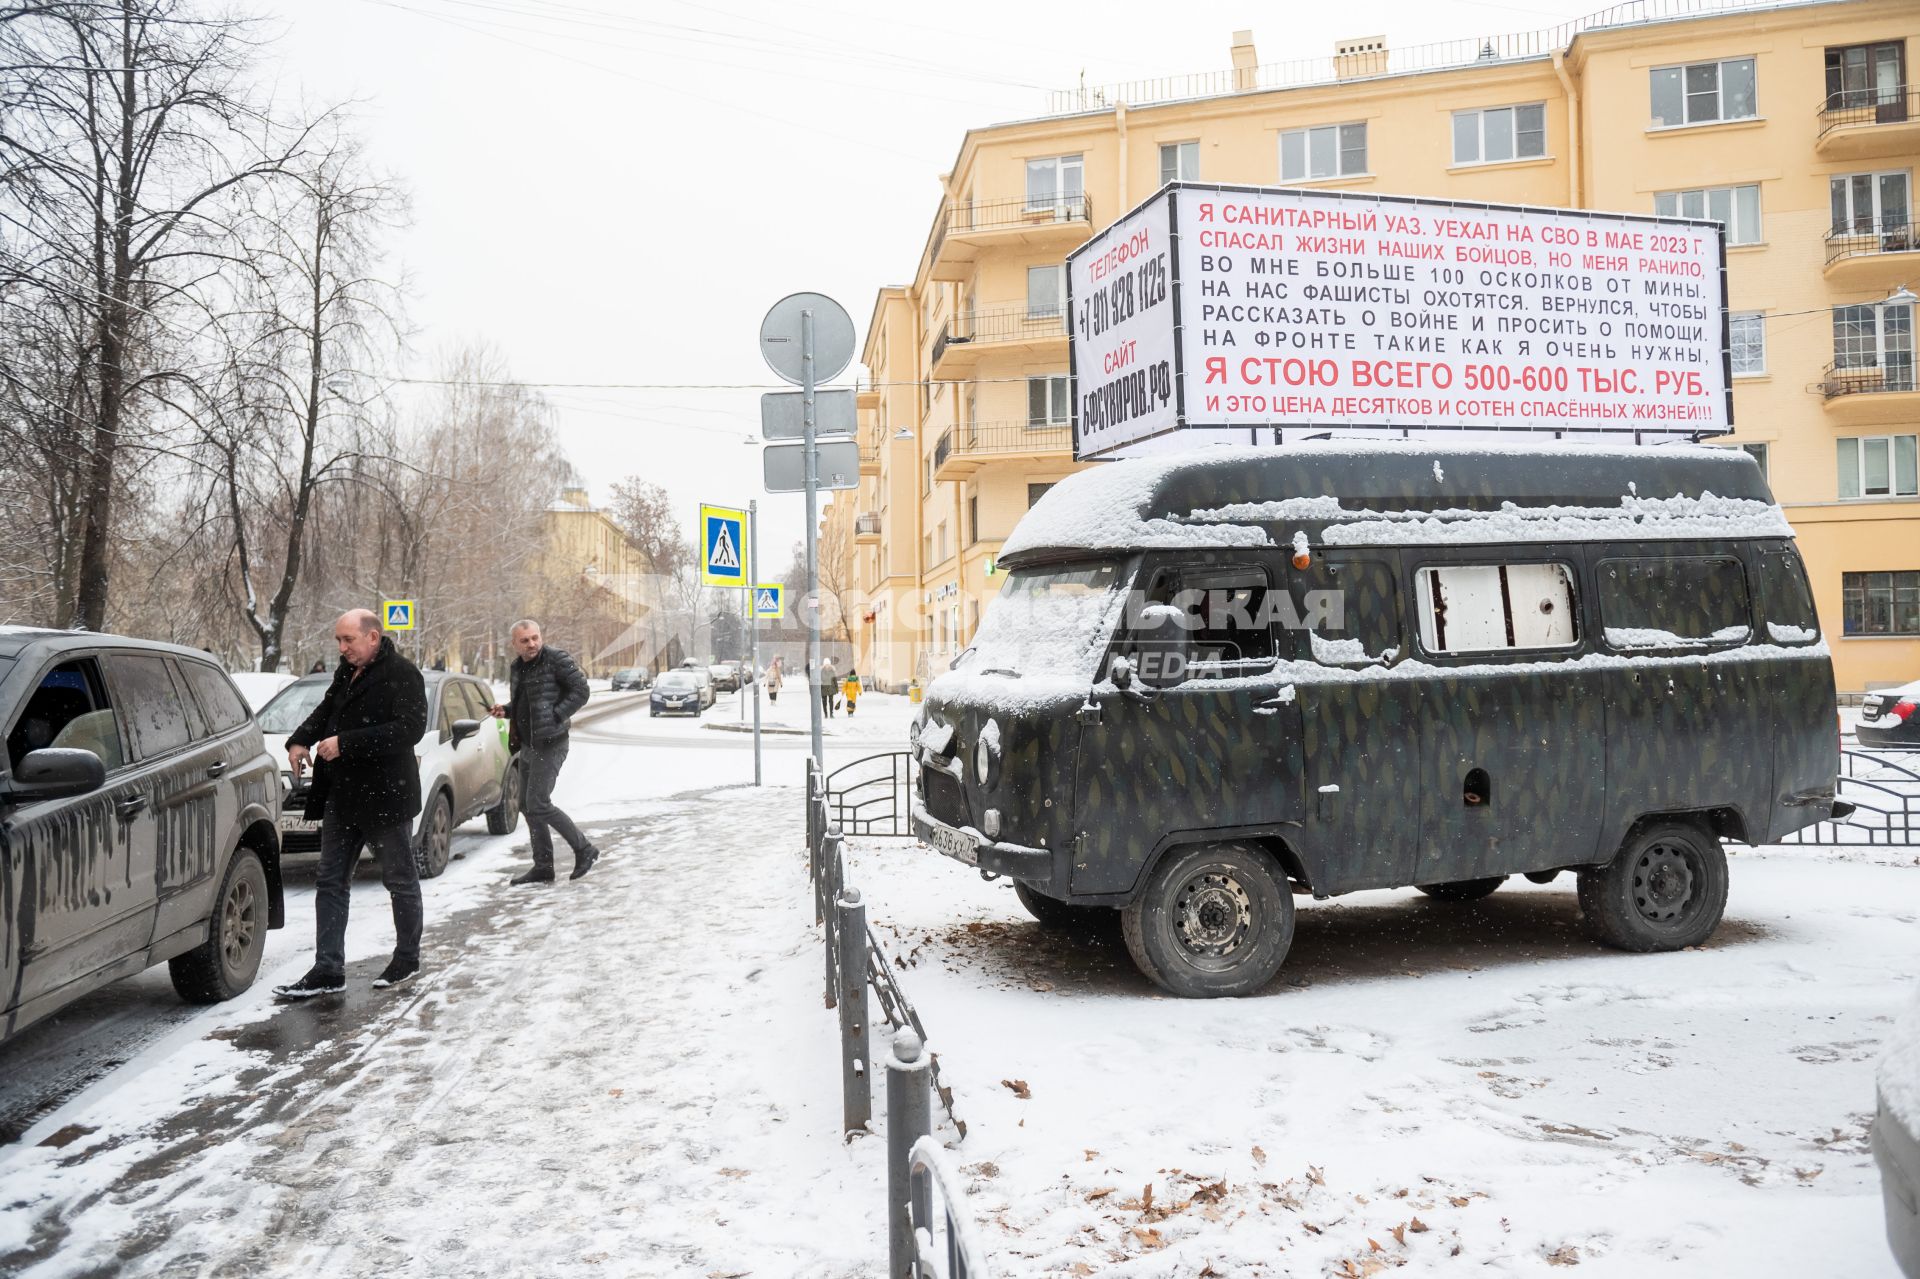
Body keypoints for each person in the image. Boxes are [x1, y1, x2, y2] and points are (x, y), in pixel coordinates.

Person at [275, 609, 429, 998]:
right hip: (342, 796)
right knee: (330, 882)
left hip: (386, 797)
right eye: (339, 641)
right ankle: (328, 968)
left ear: (373, 637)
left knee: (399, 881)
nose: (342, 648)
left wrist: (346, 743)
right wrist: (299, 740)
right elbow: (327, 711)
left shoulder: (403, 674)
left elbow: (409, 730)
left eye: (349, 640)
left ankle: (406, 959)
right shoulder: (346, 672)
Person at [488, 619, 599, 885]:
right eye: (525, 640)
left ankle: (584, 849)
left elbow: (581, 691)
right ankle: (543, 866)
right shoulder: (518, 667)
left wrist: (556, 715)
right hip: (528, 745)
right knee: (527, 806)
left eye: (535, 637)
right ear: (514, 644)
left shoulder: (556, 659)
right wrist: (507, 710)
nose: (532, 644)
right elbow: (528, 702)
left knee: (538, 803)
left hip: (551, 743)